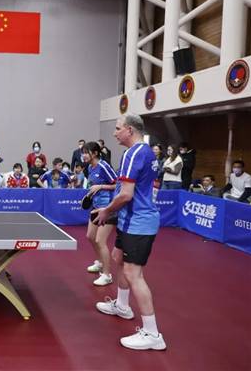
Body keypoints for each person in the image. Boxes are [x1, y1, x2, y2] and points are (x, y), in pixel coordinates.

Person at [92, 113, 166, 351]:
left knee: (135, 274)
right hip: (130, 219)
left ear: (130, 130)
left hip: (139, 222)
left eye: (117, 128)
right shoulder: (146, 152)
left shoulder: (133, 153)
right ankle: (122, 306)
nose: (114, 133)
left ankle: (153, 334)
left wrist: (105, 211)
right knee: (117, 259)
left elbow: (126, 194)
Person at [82, 141, 118, 287]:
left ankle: (107, 275)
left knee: (100, 241)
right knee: (90, 236)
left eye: (86, 152)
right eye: (82, 152)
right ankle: (101, 263)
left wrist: (101, 186)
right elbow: (94, 187)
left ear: (95, 153)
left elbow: (118, 185)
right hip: (96, 207)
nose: (83, 155)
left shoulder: (104, 166)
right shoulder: (90, 167)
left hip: (108, 209)